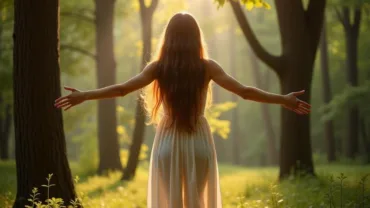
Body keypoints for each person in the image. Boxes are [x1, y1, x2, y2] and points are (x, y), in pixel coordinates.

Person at [55, 12, 310, 208]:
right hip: (199, 141)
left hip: (168, 142)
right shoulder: (207, 66)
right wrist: (283, 99)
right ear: (196, 37)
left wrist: (86, 95)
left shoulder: (157, 67)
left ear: (169, 37)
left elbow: (122, 89)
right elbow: (245, 92)